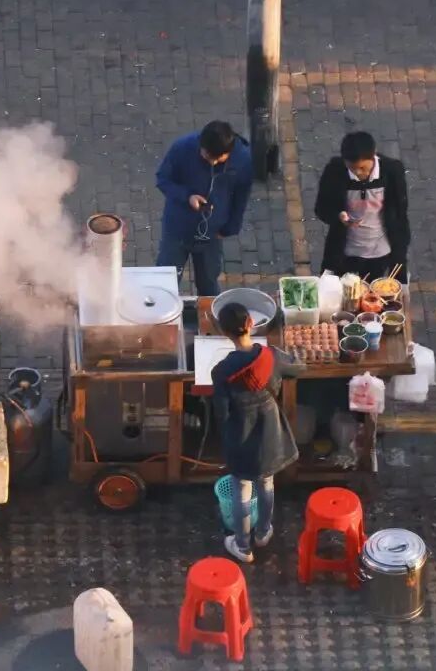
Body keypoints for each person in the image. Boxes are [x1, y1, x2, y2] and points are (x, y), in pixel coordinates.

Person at [211, 302, 305, 563]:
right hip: (269, 429)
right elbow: (299, 367)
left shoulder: (221, 371)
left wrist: (225, 437)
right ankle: (263, 532)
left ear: (223, 332)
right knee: (266, 481)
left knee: (242, 488)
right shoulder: (271, 357)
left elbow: (221, 412)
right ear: (251, 324)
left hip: (240, 433)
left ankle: (242, 546)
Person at [155, 121, 253, 296]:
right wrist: (187, 196)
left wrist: (231, 227)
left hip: (212, 234)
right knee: (165, 281)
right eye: (208, 157)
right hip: (178, 228)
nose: (212, 163)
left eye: (218, 159)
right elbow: (163, 179)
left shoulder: (243, 160)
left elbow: (241, 195)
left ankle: (209, 311)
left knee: (208, 282)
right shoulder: (182, 148)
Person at [315, 131, 410, 283]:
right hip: (344, 252)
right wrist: (338, 216)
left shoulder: (392, 171)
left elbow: (399, 215)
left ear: (373, 156)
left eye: (362, 168)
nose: (358, 173)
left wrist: (401, 269)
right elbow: (321, 208)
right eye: (352, 168)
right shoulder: (334, 171)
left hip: (379, 251)